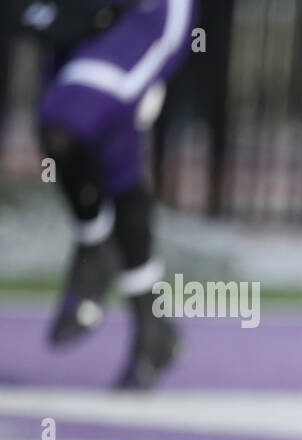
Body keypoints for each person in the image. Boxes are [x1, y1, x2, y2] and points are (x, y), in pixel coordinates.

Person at [13, 0, 196, 388]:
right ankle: (152, 323)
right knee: (113, 165)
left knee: (67, 122)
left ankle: (93, 247)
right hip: (75, 15)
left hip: (138, 14)